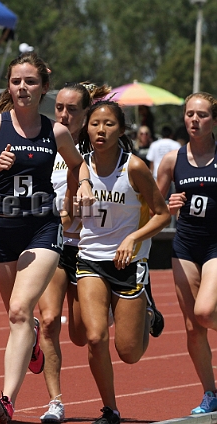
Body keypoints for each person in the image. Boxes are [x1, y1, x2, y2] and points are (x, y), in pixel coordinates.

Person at [0, 52, 94, 424]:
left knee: (20, 311)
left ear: (43, 87)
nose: (22, 88)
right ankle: (33, 346)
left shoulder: (53, 132)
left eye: (30, 82)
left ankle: (7, 399)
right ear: (9, 85)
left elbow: (78, 163)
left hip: (42, 227)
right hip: (2, 231)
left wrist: (81, 189)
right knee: (19, 318)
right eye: (16, 81)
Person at [76, 100, 170, 424]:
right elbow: (69, 216)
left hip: (128, 262)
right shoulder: (81, 165)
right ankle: (111, 410)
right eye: (95, 124)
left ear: (122, 129)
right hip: (90, 258)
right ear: (86, 128)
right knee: (94, 336)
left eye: (109, 124)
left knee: (129, 353)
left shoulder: (134, 167)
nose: (101, 130)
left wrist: (133, 238)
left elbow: (162, 214)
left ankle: (146, 309)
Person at [36, 82, 111, 423]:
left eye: (73, 110)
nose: (64, 115)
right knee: (49, 320)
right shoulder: (44, 141)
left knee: (81, 335)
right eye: (60, 108)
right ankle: (55, 402)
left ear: (86, 113)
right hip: (52, 241)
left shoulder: (100, 149)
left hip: (88, 248)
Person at [156, 92, 217, 415]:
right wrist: (168, 206)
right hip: (185, 245)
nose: (194, 120)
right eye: (190, 114)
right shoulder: (172, 159)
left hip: (215, 246)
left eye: (202, 115)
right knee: (194, 327)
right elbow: (152, 208)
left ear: (214, 120)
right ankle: (210, 393)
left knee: (206, 312)